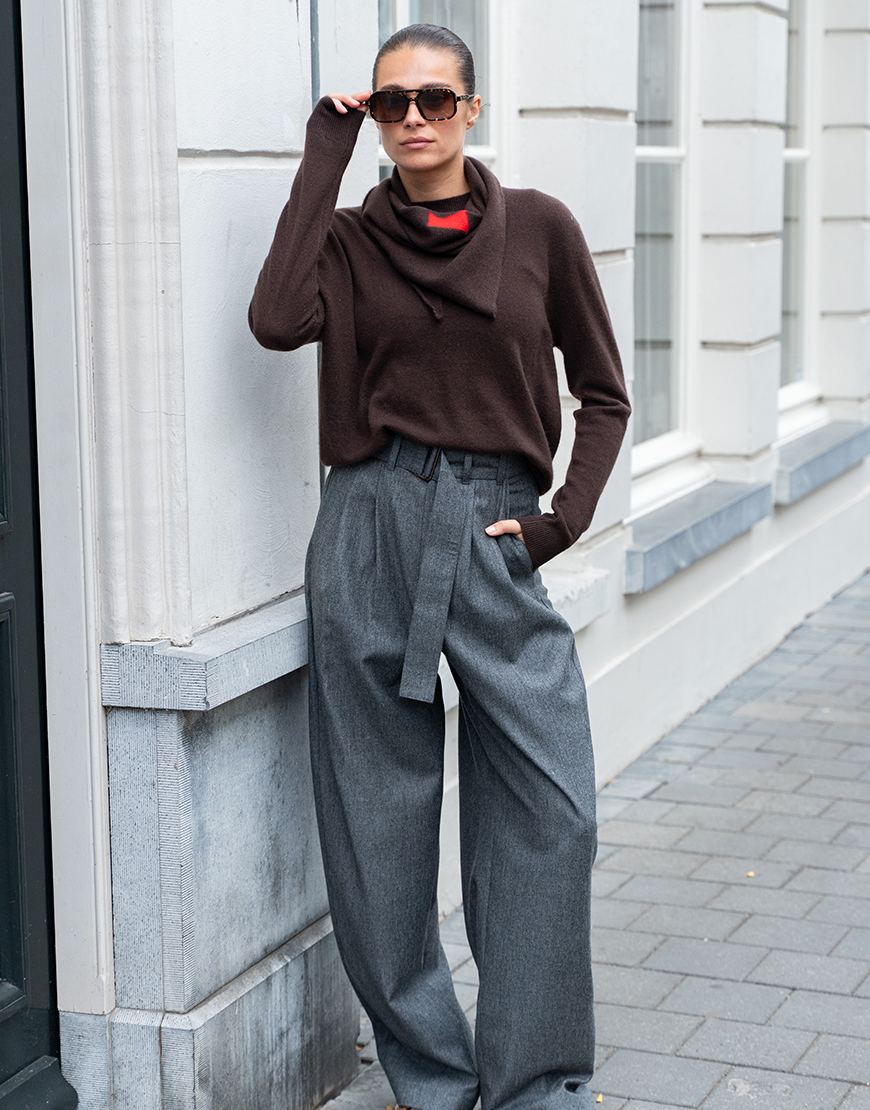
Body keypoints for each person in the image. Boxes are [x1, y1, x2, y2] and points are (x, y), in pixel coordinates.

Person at [249, 22, 630, 1110]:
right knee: (376, 822)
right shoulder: (347, 242)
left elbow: (604, 393)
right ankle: (435, 1078)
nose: (413, 118)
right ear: (373, 117)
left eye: (434, 98)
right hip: (369, 523)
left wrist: (560, 523)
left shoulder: (541, 230)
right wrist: (323, 156)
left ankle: (535, 1080)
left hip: (495, 530)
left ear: (472, 108)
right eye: (391, 103)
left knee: (553, 812)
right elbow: (275, 320)